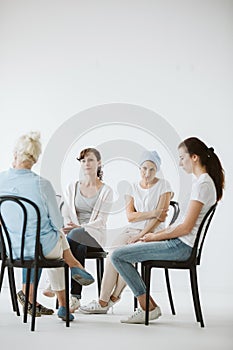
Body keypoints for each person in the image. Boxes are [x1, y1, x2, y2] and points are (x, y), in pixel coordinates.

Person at [110, 137, 225, 324]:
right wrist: (153, 237)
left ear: (194, 157)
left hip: (181, 246)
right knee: (121, 252)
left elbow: (186, 227)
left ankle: (149, 307)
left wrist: (156, 236)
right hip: (177, 242)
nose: (180, 163)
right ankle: (146, 305)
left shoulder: (203, 184)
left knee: (117, 256)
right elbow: (181, 223)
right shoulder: (202, 183)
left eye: (182, 158)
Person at [0, 131, 95, 321]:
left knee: (49, 240)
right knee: (56, 240)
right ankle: (70, 278)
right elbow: (58, 223)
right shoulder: (42, 184)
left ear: (15, 154)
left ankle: (41, 296)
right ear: (35, 159)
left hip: (11, 249)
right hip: (42, 248)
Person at [79, 149, 173, 314]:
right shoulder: (132, 187)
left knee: (124, 256)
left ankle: (110, 299)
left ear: (156, 170)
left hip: (153, 233)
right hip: (132, 229)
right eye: (144, 168)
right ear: (139, 168)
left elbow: (160, 218)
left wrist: (141, 234)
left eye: (152, 169)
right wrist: (153, 212)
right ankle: (104, 301)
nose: (147, 173)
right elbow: (130, 216)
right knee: (112, 255)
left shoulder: (164, 185)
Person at [44, 147, 113, 312]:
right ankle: (75, 298)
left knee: (76, 235)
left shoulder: (106, 190)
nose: (86, 163)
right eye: (83, 160)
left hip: (95, 238)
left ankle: (54, 284)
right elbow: (66, 213)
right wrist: (69, 227)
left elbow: (101, 221)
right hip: (74, 238)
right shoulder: (72, 187)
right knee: (77, 242)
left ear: (99, 163)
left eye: (90, 160)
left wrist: (79, 227)